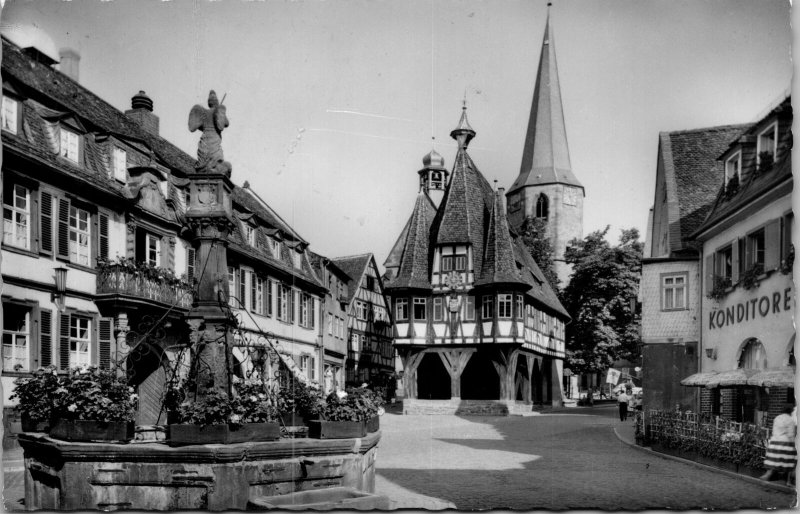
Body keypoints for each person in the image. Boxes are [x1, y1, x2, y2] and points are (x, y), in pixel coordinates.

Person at [760, 404, 797, 485]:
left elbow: (773, 430)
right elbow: (791, 434)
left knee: (774, 460)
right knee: (789, 462)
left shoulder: (777, 418)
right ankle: (788, 481)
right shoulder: (790, 420)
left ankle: (768, 474)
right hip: (785, 442)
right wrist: (794, 446)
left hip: (775, 442)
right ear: (790, 411)